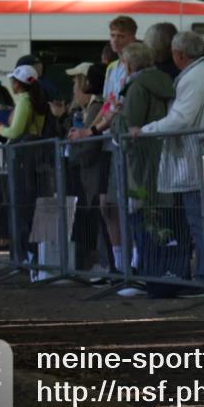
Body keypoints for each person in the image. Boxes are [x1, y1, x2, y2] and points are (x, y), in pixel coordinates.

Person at [132, 31, 204, 292]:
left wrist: (145, 130)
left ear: (179, 54)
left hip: (197, 159)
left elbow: (181, 118)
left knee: (200, 222)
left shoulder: (194, 77)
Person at [70, 16, 138, 273]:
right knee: (108, 204)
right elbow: (109, 103)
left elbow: (120, 107)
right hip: (111, 142)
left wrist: (94, 128)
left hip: (128, 141)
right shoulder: (112, 68)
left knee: (129, 203)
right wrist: (91, 129)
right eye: (112, 36)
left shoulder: (139, 63)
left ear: (132, 36)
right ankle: (119, 263)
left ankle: (134, 261)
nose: (116, 40)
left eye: (121, 36)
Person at [113, 42, 175, 284]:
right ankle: (155, 272)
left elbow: (128, 128)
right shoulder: (163, 84)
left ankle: (146, 275)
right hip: (157, 157)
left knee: (139, 213)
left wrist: (118, 115)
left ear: (130, 64)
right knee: (154, 215)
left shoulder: (137, 87)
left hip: (138, 162)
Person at [0, 64, 50, 266]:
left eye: (13, 80)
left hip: (22, 158)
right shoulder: (36, 100)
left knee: (19, 208)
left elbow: (15, 132)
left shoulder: (25, 101)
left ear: (18, 84)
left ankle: (24, 256)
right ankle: (31, 255)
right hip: (33, 156)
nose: (11, 83)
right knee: (29, 207)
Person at [64, 61, 105, 273]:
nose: (73, 89)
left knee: (97, 219)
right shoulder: (84, 109)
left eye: (75, 83)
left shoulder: (96, 107)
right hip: (86, 174)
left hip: (93, 173)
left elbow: (89, 145)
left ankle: (101, 264)